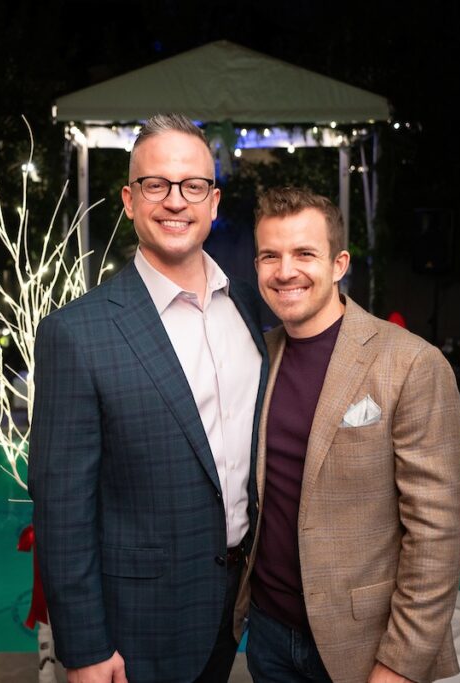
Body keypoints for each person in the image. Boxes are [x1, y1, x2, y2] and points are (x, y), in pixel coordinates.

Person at [29, 113, 267, 683]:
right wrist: (84, 649)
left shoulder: (250, 311)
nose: (175, 201)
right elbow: (62, 510)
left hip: (237, 609)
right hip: (139, 630)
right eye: (155, 185)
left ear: (214, 201)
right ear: (130, 200)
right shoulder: (77, 334)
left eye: (193, 186)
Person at [235, 187, 460, 683]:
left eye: (304, 254)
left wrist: (400, 665)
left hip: (364, 643)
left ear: (339, 264)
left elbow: (438, 533)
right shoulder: (258, 356)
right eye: (270, 256)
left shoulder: (410, 362)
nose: (285, 271)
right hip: (270, 636)